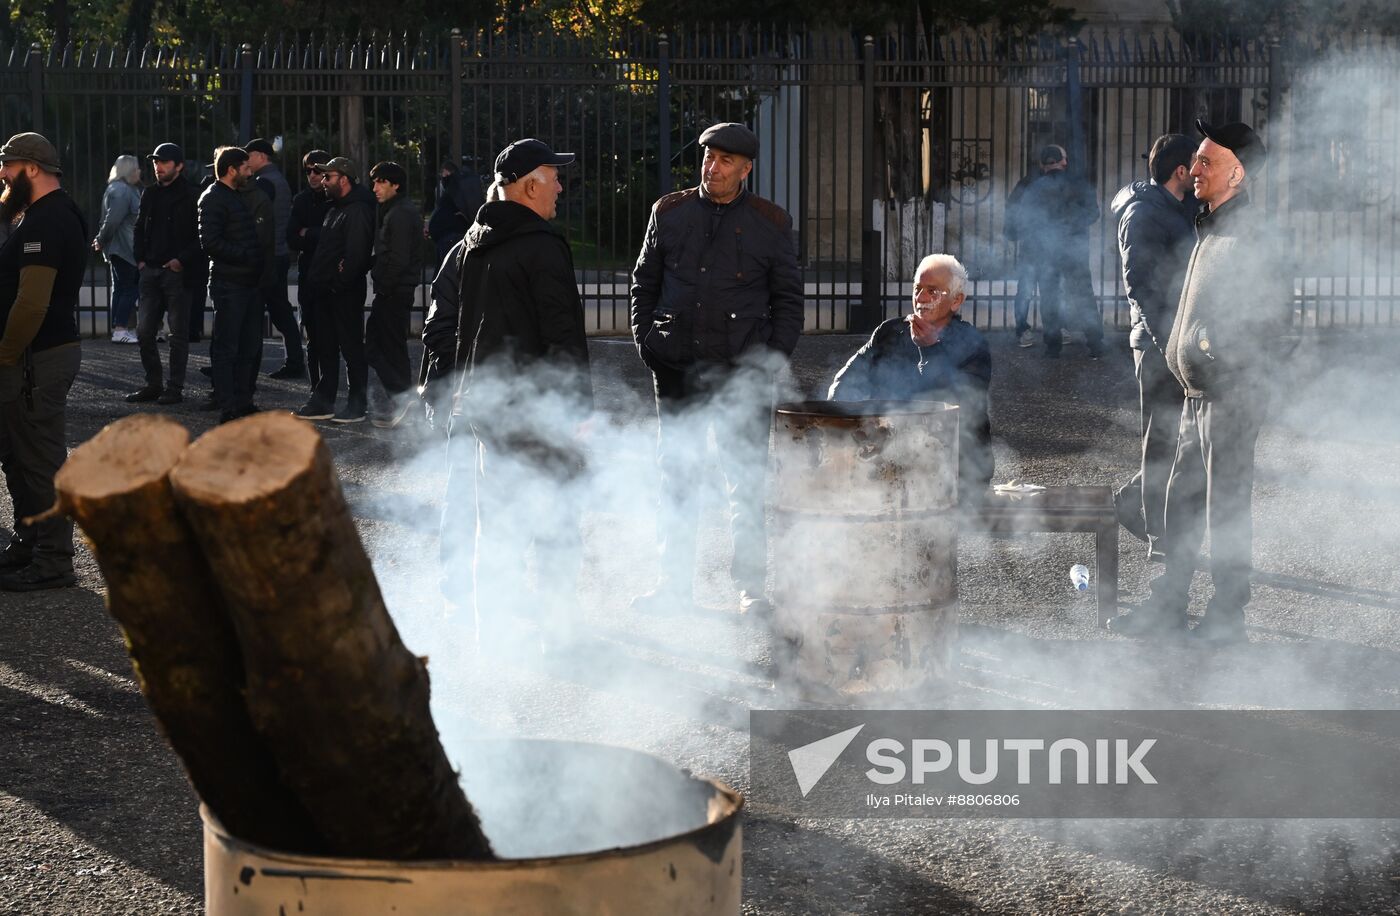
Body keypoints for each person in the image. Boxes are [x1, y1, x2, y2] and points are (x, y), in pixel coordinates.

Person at [1109, 120, 1294, 645]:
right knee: (1182, 499)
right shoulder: (1209, 224)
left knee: (1226, 504)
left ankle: (1227, 616)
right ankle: (1169, 601)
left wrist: (1208, 347)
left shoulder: (1253, 235)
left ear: (1237, 172)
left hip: (1231, 394)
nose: (1194, 171)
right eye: (1196, 161)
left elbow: (1272, 318)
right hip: (1196, 394)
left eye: (1207, 162)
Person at [629, 122, 804, 616]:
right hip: (677, 367)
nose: (713, 166)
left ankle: (751, 589)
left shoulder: (772, 222)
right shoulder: (669, 211)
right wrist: (647, 343)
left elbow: (788, 300)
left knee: (744, 482)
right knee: (677, 478)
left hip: (740, 375)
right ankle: (672, 587)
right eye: (708, 157)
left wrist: (768, 362)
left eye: (726, 160)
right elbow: (644, 282)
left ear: (746, 169)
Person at [441, 138, 592, 643]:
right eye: (554, 175)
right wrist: (575, 409)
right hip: (537, 410)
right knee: (555, 522)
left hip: (486, 406)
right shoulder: (542, 246)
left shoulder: (474, 241)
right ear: (530, 185)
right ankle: (559, 635)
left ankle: (493, 639)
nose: (560, 185)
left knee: (497, 525)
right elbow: (562, 333)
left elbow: (462, 328)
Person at [828, 253, 993, 506]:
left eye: (932, 291)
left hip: (955, 467)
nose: (921, 299)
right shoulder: (889, 332)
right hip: (892, 460)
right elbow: (843, 384)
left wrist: (931, 348)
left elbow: (959, 407)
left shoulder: (972, 344)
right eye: (917, 289)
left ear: (956, 300)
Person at [0, 132, 86, 591]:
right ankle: (30, 542)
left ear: (32, 169)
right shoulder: (38, 215)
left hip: (36, 358)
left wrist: (5, 354)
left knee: (39, 460)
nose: (3, 175)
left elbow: (32, 304)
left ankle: (54, 561)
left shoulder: (47, 221)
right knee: (18, 456)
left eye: (8, 166)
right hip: (32, 357)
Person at [1108, 134, 1198, 555]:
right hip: (1158, 341)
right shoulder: (1142, 214)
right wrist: (1168, 343)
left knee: (1188, 434)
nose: (1200, 172)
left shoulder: (1178, 208)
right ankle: (1158, 533)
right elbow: (1140, 285)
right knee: (1162, 435)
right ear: (1180, 171)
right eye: (1195, 166)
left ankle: (1133, 501)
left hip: (1180, 338)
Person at [295, 156, 375, 423]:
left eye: (328, 177)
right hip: (324, 293)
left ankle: (357, 404)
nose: (322, 181)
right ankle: (323, 401)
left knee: (351, 349)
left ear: (343, 179)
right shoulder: (335, 209)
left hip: (343, 294)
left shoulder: (358, 210)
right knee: (325, 347)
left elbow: (356, 256)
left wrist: (338, 284)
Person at [198, 146, 273, 424]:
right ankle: (229, 406)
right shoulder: (214, 198)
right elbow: (210, 243)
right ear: (232, 170)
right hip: (230, 284)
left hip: (246, 282)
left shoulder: (232, 196)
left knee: (248, 345)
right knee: (228, 347)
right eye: (246, 168)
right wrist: (246, 256)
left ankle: (243, 401)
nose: (250, 172)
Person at [126, 142, 200, 406]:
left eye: (164, 162)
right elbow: (138, 227)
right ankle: (153, 383)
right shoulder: (150, 194)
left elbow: (200, 236)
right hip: (151, 270)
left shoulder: (192, 194)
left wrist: (181, 260)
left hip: (177, 273)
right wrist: (141, 260)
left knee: (177, 334)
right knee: (144, 331)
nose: (158, 167)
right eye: (156, 162)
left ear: (178, 166)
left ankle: (174, 388)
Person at [1016, 144, 1104, 358]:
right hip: (1075, 250)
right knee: (1083, 294)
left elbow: (1025, 220)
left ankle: (1053, 346)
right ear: (1061, 162)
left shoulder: (1034, 189)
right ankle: (1095, 344)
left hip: (1047, 252)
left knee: (1049, 297)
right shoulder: (1077, 185)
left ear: (1043, 164)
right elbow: (1093, 213)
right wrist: (1073, 227)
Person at [367, 160, 424, 427]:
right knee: (393, 348)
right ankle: (404, 403)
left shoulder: (400, 213)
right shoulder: (395, 210)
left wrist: (384, 285)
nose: (375, 187)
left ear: (395, 185)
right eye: (374, 182)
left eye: (381, 182)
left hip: (394, 291)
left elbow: (398, 259)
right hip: (396, 289)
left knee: (376, 346)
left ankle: (404, 399)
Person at [245, 137, 306, 380]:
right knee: (279, 310)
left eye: (249, 155)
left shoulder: (264, 182)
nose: (246, 161)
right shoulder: (276, 180)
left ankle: (291, 361)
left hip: (269, 255)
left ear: (261, 156)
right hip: (278, 254)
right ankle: (294, 360)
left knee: (270, 311)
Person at [287, 148, 332, 390]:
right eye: (308, 171)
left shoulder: (335, 198)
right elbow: (291, 238)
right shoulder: (301, 199)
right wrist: (318, 235)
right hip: (308, 275)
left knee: (333, 337)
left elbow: (335, 238)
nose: (313, 175)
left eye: (318, 170)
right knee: (313, 336)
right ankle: (317, 388)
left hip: (332, 276)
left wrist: (310, 233)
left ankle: (331, 387)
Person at [93, 154, 142, 344]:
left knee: (121, 289)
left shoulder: (118, 189)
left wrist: (102, 240)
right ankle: (120, 329)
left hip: (120, 247)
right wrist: (100, 239)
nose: (139, 171)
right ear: (129, 171)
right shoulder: (122, 191)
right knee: (129, 289)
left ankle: (119, 329)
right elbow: (113, 221)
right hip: (125, 247)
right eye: (136, 168)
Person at [427, 159, 484, 270]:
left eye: (444, 174)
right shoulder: (452, 188)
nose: (442, 177)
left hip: (451, 237)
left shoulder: (457, 188)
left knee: (448, 271)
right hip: (446, 237)